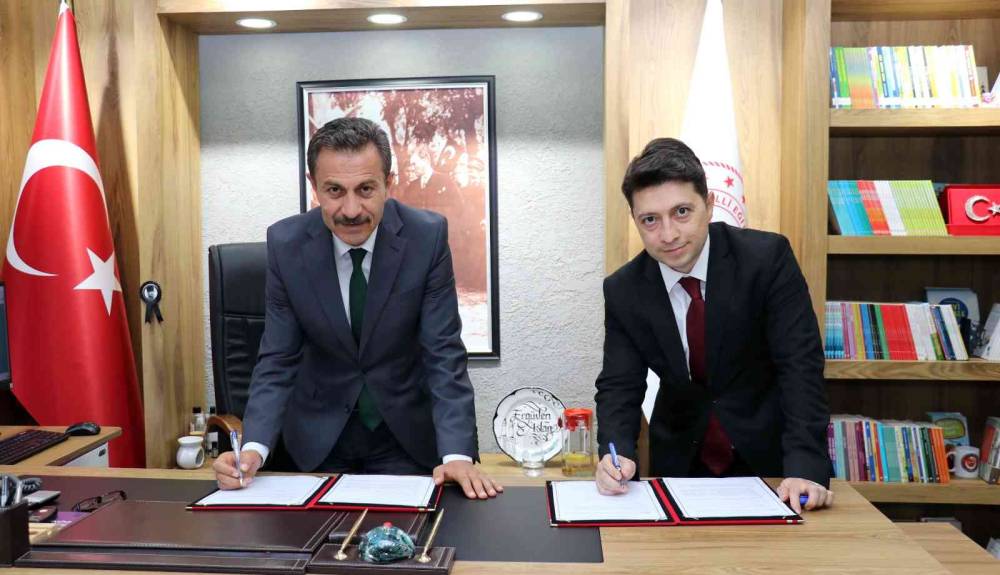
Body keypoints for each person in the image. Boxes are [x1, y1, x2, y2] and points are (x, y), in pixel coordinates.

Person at [213, 117, 501, 500]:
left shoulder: (426, 238)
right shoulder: (286, 244)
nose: (351, 210)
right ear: (314, 186)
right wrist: (252, 449)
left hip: (405, 440)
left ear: (388, 183)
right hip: (316, 444)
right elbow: (278, 358)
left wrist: (457, 455)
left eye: (365, 189)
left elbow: (443, 354)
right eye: (334, 190)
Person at [594, 138, 832, 513]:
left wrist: (805, 466)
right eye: (650, 220)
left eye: (682, 212)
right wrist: (616, 453)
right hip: (679, 466)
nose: (668, 234)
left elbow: (800, 365)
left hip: (774, 464)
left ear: (709, 205)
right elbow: (619, 386)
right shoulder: (624, 289)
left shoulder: (766, 260)